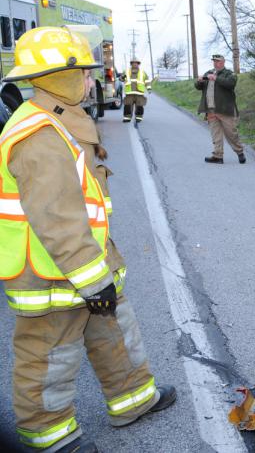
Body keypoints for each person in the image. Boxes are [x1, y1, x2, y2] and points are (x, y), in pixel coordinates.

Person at [0, 26, 176, 452]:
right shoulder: (38, 135)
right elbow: (59, 219)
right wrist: (91, 280)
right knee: (48, 357)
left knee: (114, 331)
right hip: (51, 275)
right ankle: (49, 437)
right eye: (84, 74)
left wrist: (100, 276)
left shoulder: (59, 120)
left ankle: (133, 399)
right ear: (63, 76)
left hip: (87, 264)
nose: (91, 81)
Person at [195, 54, 245, 164]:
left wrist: (216, 78)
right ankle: (218, 156)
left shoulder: (229, 74)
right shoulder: (208, 72)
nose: (215, 63)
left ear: (223, 62)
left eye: (217, 61)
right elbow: (198, 87)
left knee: (231, 134)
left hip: (225, 109)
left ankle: (240, 152)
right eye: (214, 61)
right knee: (215, 134)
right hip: (211, 109)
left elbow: (231, 84)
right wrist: (199, 81)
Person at [123, 58, 150, 122]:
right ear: (131, 64)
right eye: (133, 63)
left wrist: (149, 88)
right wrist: (122, 77)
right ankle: (127, 118)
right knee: (127, 106)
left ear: (138, 64)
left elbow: (147, 81)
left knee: (139, 106)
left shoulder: (143, 72)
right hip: (129, 93)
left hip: (139, 93)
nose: (135, 64)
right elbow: (122, 79)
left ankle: (138, 118)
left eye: (136, 63)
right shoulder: (126, 71)